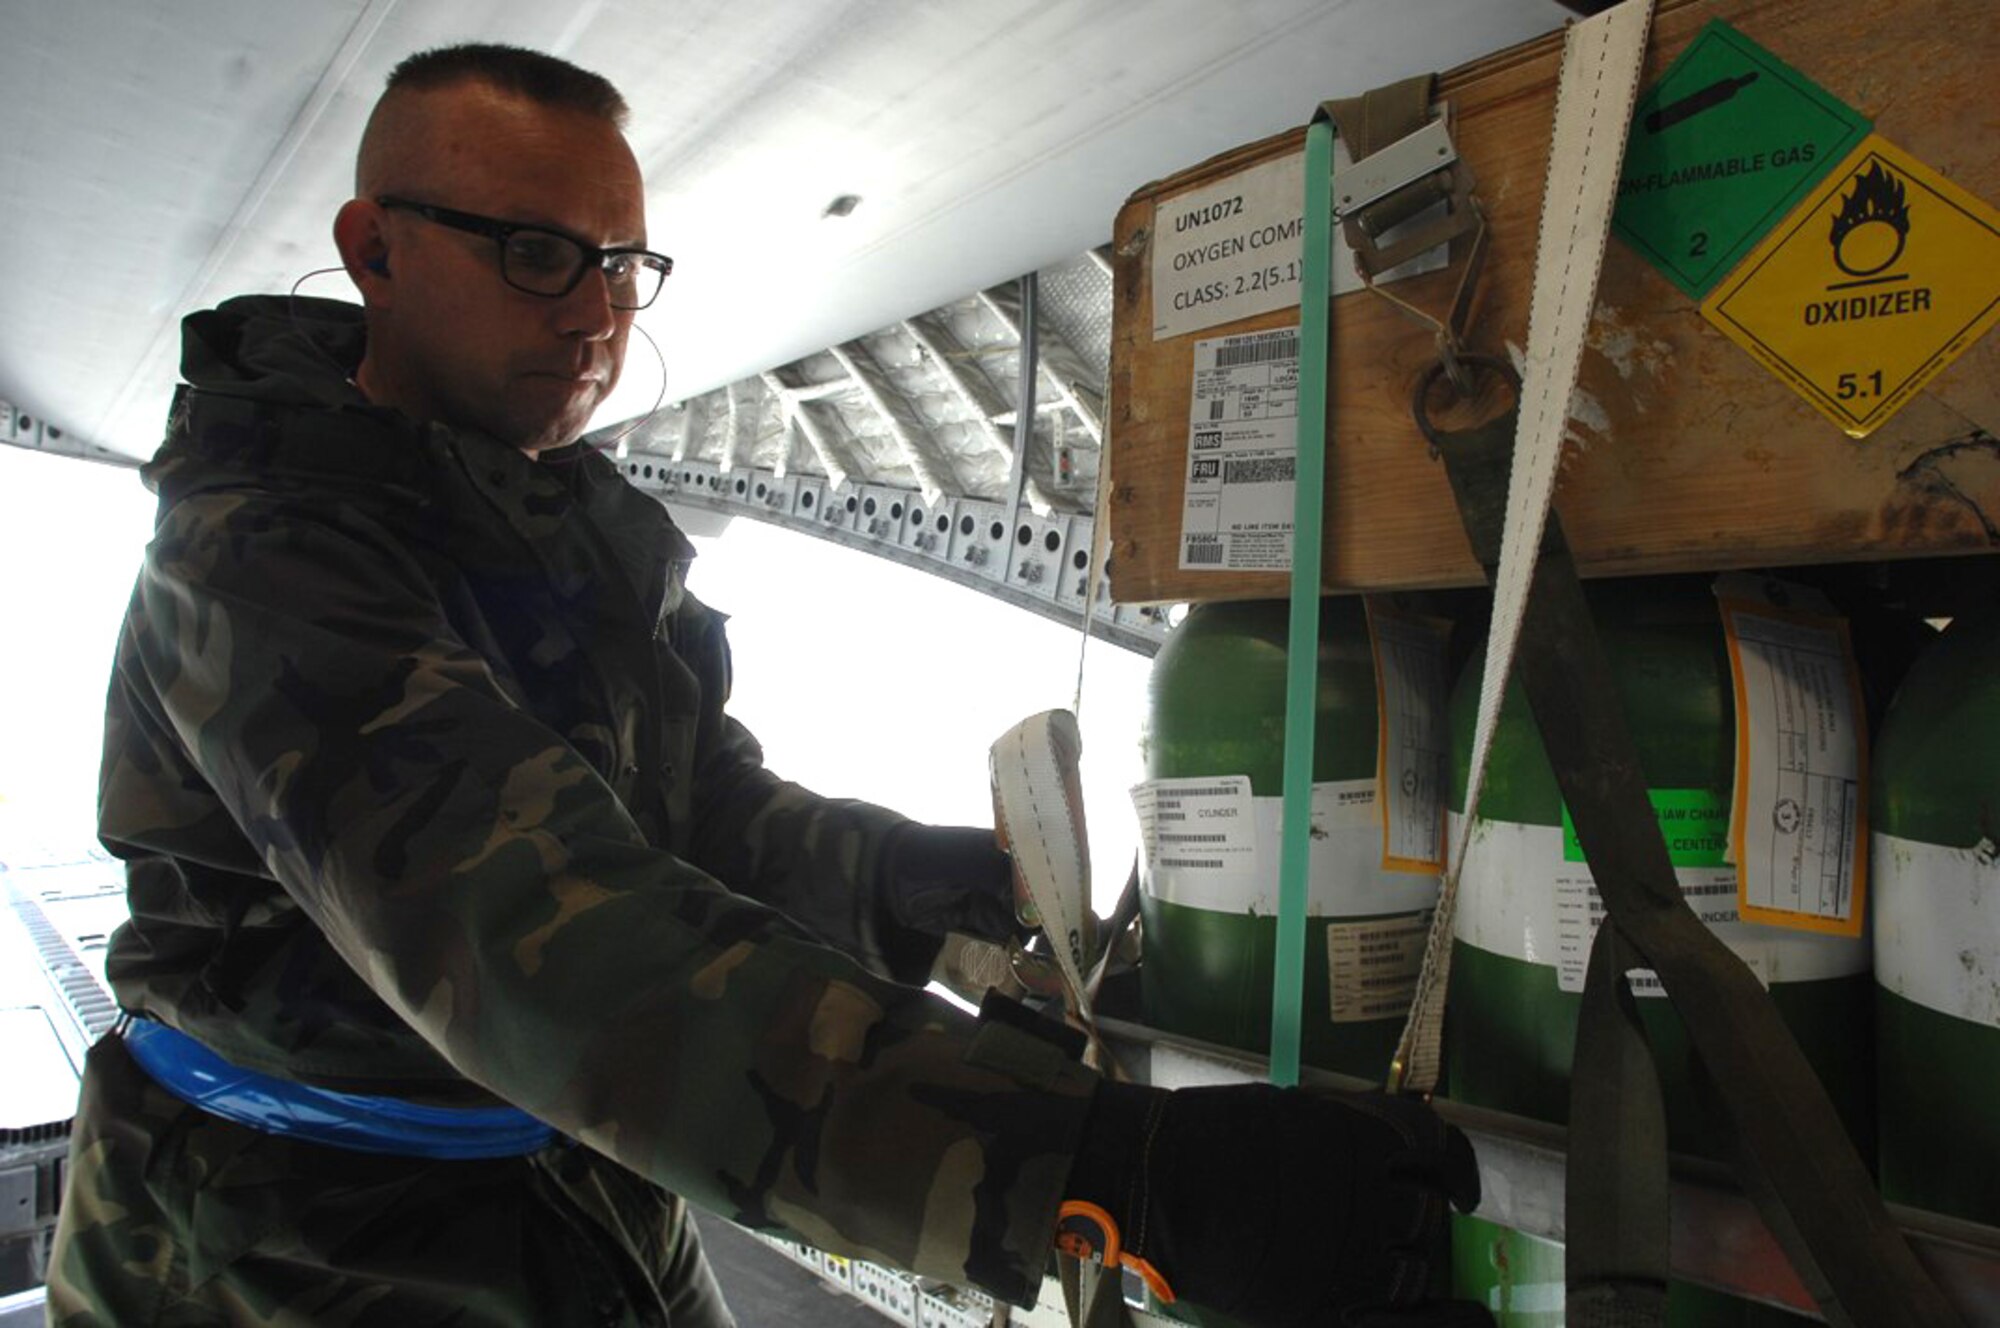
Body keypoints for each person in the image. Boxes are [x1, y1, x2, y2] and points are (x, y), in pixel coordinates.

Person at [48, 43, 1486, 1328]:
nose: (594, 313)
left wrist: (891, 878)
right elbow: (543, 938)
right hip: (284, 1236)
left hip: (576, 1179)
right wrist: (1108, 1170)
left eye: (623, 264)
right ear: (374, 250)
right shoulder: (263, 558)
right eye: (537, 255)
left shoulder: (572, 524)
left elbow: (696, 809)